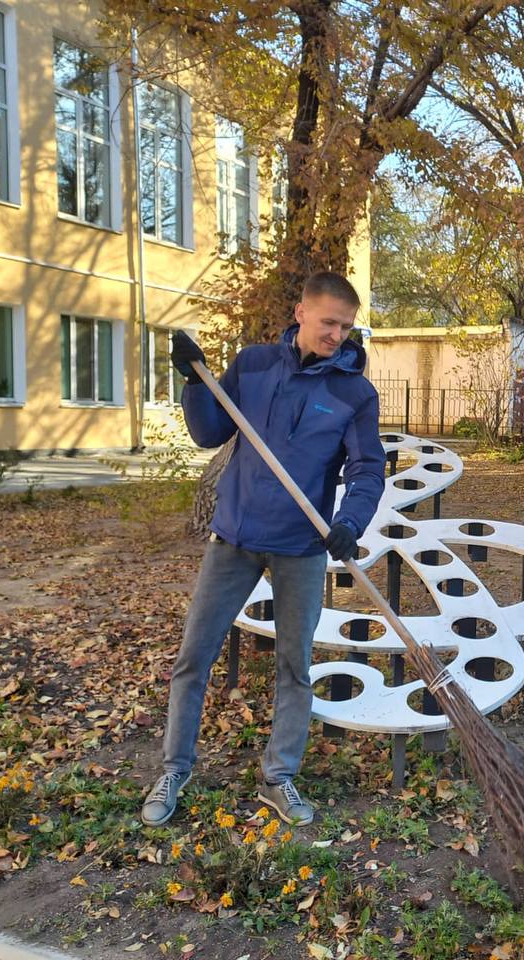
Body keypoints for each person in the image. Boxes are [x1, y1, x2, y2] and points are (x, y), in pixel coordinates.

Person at [140, 272, 385, 828]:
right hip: (234, 539)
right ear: (301, 313)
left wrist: (350, 520)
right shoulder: (252, 365)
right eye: (329, 323)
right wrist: (194, 380)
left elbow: (368, 470)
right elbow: (208, 433)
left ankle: (280, 776)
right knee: (192, 658)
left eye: (346, 327)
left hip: (301, 547)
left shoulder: (353, 392)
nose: (337, 336)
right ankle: (175, 768)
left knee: (294, 665)